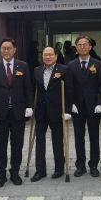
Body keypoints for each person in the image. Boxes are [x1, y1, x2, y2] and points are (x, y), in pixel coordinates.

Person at [0, 38, 33, 188]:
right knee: (0, 145)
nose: (6, 51)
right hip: (0, 113)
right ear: (0, 50)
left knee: (17, 144)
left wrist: (29, 106)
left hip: (18, 112)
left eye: (9, 48)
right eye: (3, 48)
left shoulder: (23, 66)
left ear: (14, 49)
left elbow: (28, 88)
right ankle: (1, 174)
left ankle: (14, 172)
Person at [30, 46, 73, 182]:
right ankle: (40, 170)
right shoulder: (37, 70)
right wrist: (30, 106)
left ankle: (59, 168)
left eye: (50, 54)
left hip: (57, 110)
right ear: (42, 56)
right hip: (41, 111)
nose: (47, 57)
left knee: (57, 140)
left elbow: (69, 91)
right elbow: (33, 90)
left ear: (55, 56)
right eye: (45, 55)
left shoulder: (64, 69)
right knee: (39, 141)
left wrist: (67, 110)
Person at [67, 35, 101, 177]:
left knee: (94, 137)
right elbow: (69, 87)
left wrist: (100, 103)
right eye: (79, 45)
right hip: (77, 107)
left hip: (93, 106)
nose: (82, 47)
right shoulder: (71, 65)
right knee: (79, 137)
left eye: (85, 44)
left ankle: (93, 165)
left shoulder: (98, 64)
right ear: (76, 47)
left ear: (90, 47)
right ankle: (80, 165)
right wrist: (70, 104)